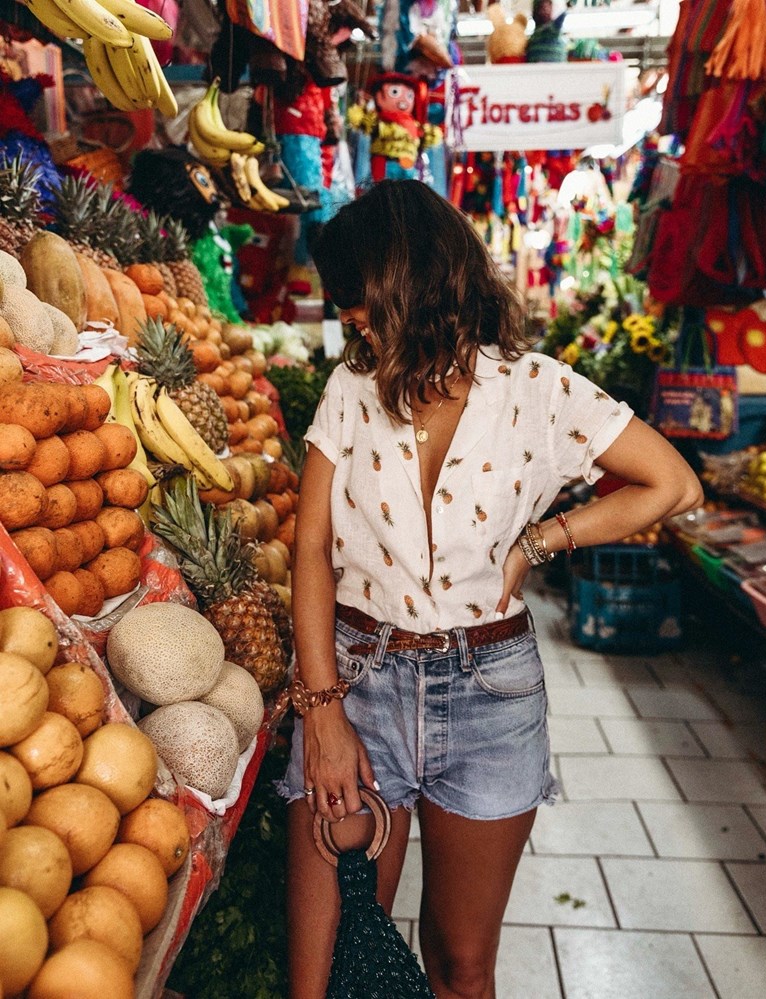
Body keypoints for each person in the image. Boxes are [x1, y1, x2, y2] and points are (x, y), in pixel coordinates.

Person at [278, 179, 703, 999]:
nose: (346, 315)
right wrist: (322, 711)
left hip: (490, 694)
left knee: (462, 967)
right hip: (359, 684)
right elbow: (309, 549)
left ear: (404, 277)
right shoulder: (349, 392)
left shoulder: (539, 390)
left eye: (353, 295)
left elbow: (672, 484)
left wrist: (546, 538)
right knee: (322, 976)